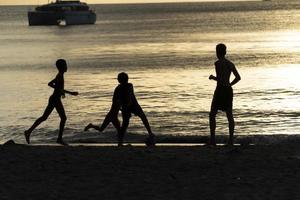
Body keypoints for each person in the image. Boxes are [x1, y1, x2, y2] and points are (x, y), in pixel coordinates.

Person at [85, 72, 155, 147]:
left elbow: (127, 98)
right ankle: (120, 143)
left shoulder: (128, 86)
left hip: (128, 107)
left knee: (137, 120)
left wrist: (124, 106)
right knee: (122, 127)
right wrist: (123, 107)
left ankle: (149, 134)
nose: (125, 81)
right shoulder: (119, 89)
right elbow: (117, 102)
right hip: (122, 109)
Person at [24, 59, 79, 145]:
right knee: (62, 118)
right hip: (55, 99)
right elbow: (54, 86)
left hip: (55, 99)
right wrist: (70, 93)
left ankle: (29, 131)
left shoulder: (59, 75)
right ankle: (59, 139)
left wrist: (61, 91)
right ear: (62, 67)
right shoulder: (60, 76)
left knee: (45, 117)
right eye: (65, 65)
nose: (66, 67)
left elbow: (50, 84)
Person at [209, 44, 241, 146]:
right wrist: (230, 84)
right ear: (225, 52)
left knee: (212, 114)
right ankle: (230, 140)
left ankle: (213, 140)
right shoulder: (230, 64)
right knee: (229, 115)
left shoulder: (217, 64)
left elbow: (220, 79)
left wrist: (213, 77)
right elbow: (238, 77)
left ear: (217, 53)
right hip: (228, 90)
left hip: (220, 90)